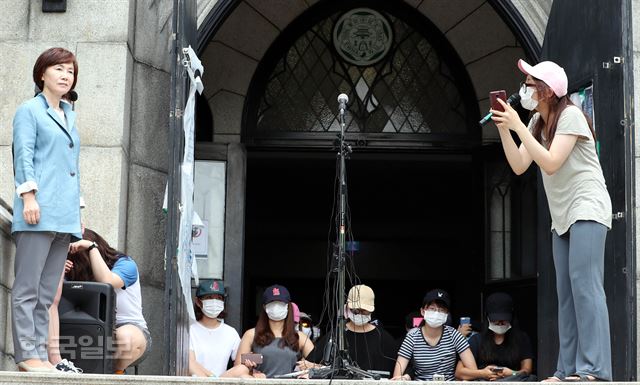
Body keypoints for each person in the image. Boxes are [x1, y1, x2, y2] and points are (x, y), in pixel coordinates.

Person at [491, 59, 612, 381]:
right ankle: (567, 369)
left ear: (545, 91)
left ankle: (595, 370)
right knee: (567, 292)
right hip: (562, 216)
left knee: (586, 287)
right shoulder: (535, 123)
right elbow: (519, 165)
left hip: (587, 208)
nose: (523, 91)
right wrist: (506, 129)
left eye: (528, 85)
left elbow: (551, 162)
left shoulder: (570, 115)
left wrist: (518, 126)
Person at [11, 47, 82, 372]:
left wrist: (77, 211)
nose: (66, 75)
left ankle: (39, 354)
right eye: (59, 69)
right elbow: (23, 154)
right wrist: (28, 197)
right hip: (36, 211)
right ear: (42, 74)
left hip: (63, 215)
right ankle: (27, 355)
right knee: (27, 289)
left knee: (47, 293)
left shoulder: (69, 114)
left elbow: (70, 167)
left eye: (70, 70)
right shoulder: (30, 110)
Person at [67, 228, 151, 374]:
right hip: (83, 328)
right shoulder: (71, 268)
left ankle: (116, 375)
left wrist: (92, 248)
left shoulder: (124, 263)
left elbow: (107, 282)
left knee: (125, 339)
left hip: (127, 328)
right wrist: (60, 270)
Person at [308, 284, 398, 376]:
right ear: (347, 308)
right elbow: (310, 363)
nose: (359, 314)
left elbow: (395, 375)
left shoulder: (384, 339)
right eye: (356, 310)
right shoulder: (336, 335)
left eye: (364, 311)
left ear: (371, 310)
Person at [392, 289, 477, 381]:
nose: (437, 313)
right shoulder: (412, 336)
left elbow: (473, 370)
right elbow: (397, 376)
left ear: (446, 314)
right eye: (432, 309)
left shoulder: (454, 335)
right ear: (423, 311)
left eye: (441, 310)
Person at [235, 284, 314, 378]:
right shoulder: (251, 334)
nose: (276, 306)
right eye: (272, 302)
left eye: (280, 302)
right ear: (264, 307)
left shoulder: (299, 337)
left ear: (288, 306)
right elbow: (237, 369)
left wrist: (310, 366)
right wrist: (251, 371)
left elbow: (322, 366)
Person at [455, 292, 535, 381]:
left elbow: (527, 370)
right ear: (488, 318)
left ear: (511, 317)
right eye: (496, 321)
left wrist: (512, 373)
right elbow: (459, 372)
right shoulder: (477, 339)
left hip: (512, 379)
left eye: (504, 321)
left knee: (531, 378)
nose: (500, 324)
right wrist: (483, 373)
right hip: (484, 381)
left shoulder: (521, 338)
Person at [188, 279, 241, 377]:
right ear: (198, 302)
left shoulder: (231, 333)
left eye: (219, 298)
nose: (214, 302)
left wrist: (253, 366)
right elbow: (190, 363)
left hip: (221, 382)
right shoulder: (190, 330)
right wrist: (211, 378)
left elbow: (241, 362)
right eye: (209, 297)